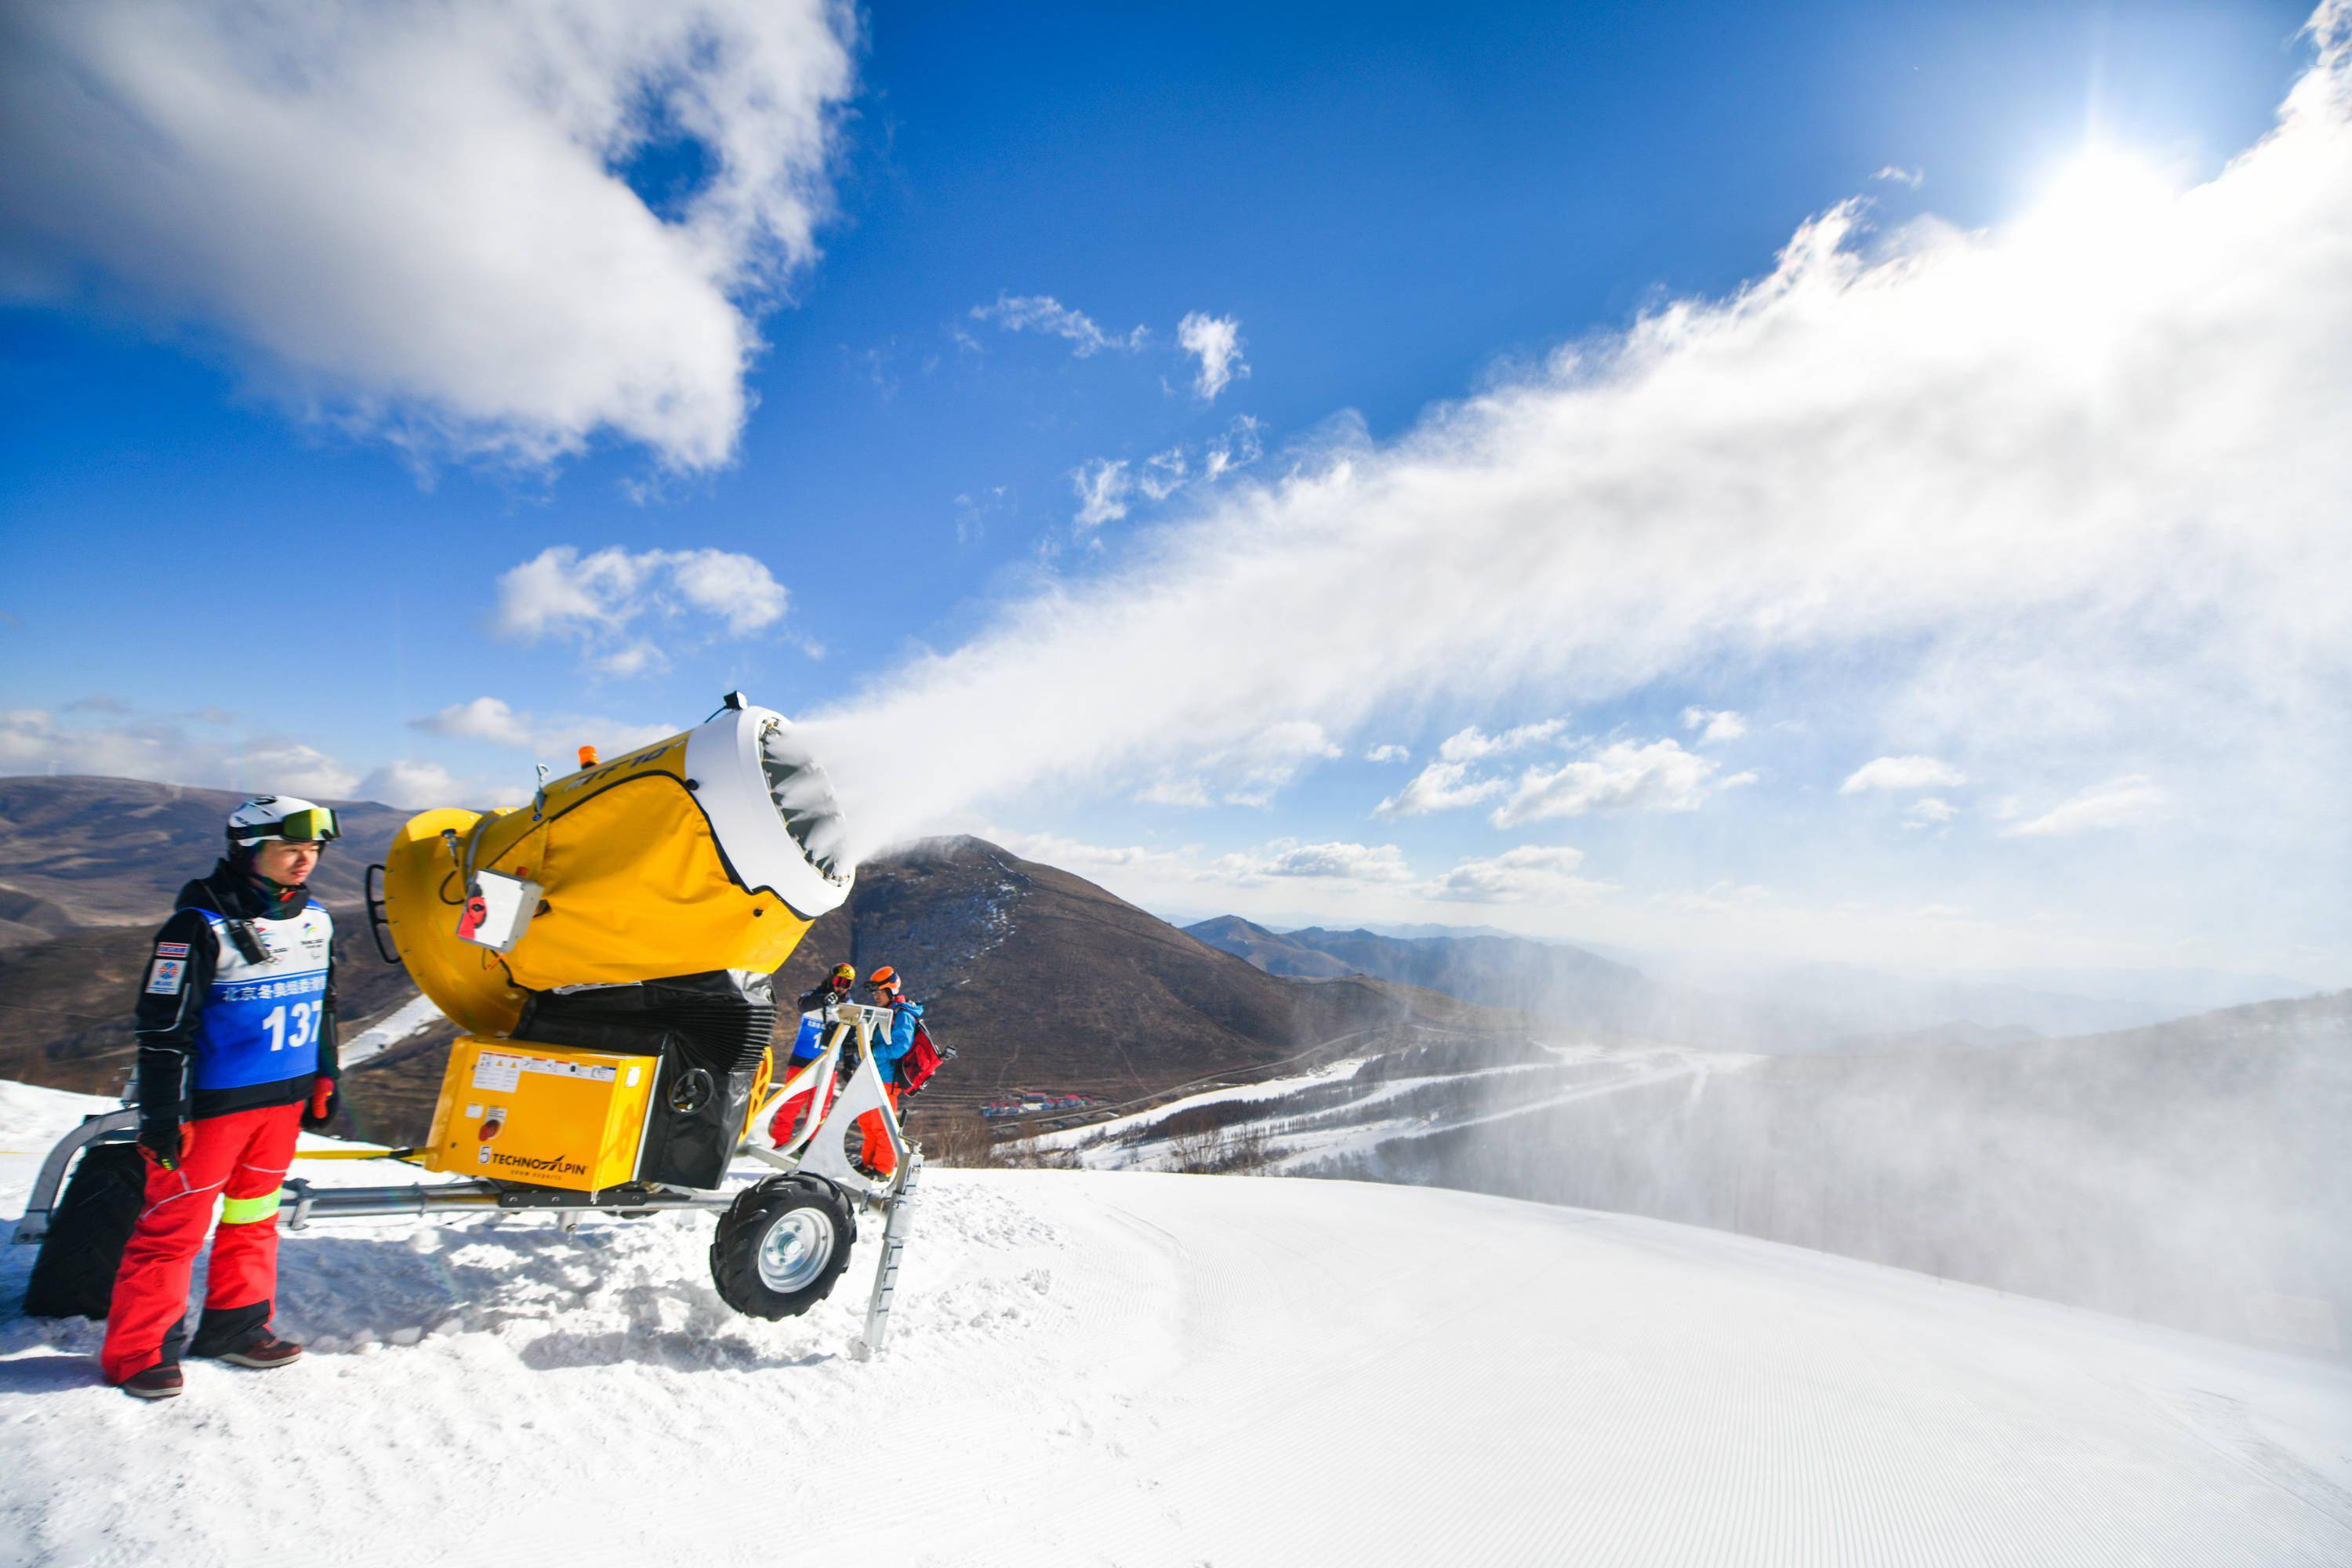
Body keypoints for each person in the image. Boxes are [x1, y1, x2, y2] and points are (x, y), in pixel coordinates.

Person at [100, 796, 343, 1400]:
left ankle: (235, 1328)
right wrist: (163, 1115)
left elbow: (324, 1004)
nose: (303, 861)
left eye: (312, 850)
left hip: (279, 1104)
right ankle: (138, 1352)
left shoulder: (315, 919)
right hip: (210, 1111)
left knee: (254, 1217)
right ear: (248, 850)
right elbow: (162, 1031)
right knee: (172, 1230)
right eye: (290, 848)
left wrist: (325, 1073)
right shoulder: (196, 926)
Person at [765, 963, 857, 1147]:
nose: (840, 987)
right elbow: (802, 1005)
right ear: (830, 978)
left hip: (828, 1065)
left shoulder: (849, 1007)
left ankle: (809, 1146)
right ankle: (778, 1143)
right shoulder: (812, 996)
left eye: (846, 984)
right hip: (802, 1061)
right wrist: (823, 1000)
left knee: (820, 1110)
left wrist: (849, 1065)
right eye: (839, 981)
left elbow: (850, 1039)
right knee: (790, 1106)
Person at [853, 965, 925, 1179]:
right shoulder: (887, 1012)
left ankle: (882, 1168)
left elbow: (901, 1046)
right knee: (867, 1123)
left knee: (882, 1125)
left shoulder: (902, 1014)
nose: (876, 996)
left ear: (890, 990)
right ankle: (868, 1164)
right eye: (874, 992)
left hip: (887, 1079)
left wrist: (873, 1051)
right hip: (873, 1075)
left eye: (879, 992)